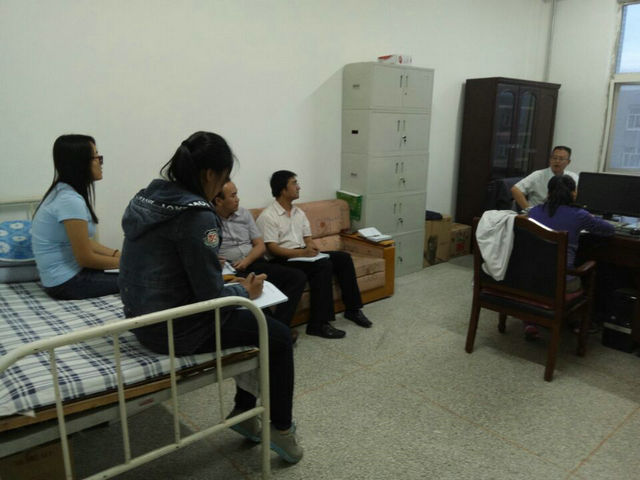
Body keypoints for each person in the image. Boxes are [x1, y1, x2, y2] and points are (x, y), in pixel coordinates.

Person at [118, 132, 303, 463]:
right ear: (208, 174)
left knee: (252, 323)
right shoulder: (197, 215)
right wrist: (245, 290)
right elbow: (211, 296)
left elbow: (166, 260)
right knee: (274, 335)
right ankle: (281, 428)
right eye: (223, 178)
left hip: (140, 317)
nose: (222, 188)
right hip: (175, 329)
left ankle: (245, 413)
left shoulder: (148, 197)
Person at [256, 170, 372, 339]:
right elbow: (272, 248)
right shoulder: (268, 216)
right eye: (294, 183)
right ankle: (318, 324)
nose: (298, 187)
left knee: (343, 258)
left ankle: (353, 310)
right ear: (283, 189)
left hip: (302, 254)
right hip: (282, 259)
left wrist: (312, 248)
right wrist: (303, 253)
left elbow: (308, 239)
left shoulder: (299, 213)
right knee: (323, 265)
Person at [214, 180, 306, 342]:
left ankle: (280, 328)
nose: (238, 199)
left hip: (253, 261)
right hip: (230, 269)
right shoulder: (208, 220)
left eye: (237, 194)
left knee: (297, 277)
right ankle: (273, 334)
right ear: (219, 201)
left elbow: (260, 245)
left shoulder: (244, 214)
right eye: (233, 196)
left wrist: (247, 260)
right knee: (253, 291)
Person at [525, 174, 614, 339]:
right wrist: (591, 218)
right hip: (561, 283)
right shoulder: (580, 215)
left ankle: (530, 322)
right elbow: (609, 230)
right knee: (590, 273)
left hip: (532, 279)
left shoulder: (534, 211)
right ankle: (576, 320)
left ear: (548, 193)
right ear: (573, 194)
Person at [31, 134, 120, 300]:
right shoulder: (68, 200)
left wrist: (117, 254)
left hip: (67, 276)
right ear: (80, 163)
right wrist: (128, 263)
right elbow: (85, 258)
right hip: (66, 283)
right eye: (96, 157)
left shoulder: (63, 192)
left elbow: (84, 242)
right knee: (144, 279)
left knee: (140, 270)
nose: (100, 162)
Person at [511, 146, 579, 211]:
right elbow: (515, 190)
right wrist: (529, 210)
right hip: (539, 213)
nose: (557, 161)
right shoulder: (538, 175)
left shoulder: (573, 177)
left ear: (568, 162)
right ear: (550, 159)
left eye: (561, 159)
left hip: (563, 213)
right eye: (554, 158)